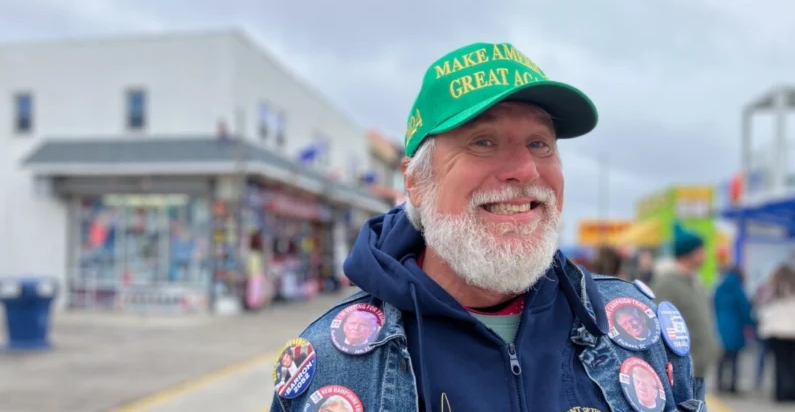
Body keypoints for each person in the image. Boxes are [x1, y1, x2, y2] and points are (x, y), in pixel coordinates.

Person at [270, 42, 703, 412]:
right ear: (416, 183)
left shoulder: (639, 332)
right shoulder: (330, 365)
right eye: (483, 142)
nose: (524, 169)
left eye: (539, 143)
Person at [650, 223, 720, 399]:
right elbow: (659, 326)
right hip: (683, 372)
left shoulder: (695, 282)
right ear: (689, 253)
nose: (705, 254)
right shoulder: (667, 284)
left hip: (699, 368)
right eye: (700, 250)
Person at [713, 265, 754, 394]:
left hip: (720, 325)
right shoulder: (739, 291)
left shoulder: (719, 288)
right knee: (734, 358)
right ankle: (732, 385)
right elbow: (745, 311)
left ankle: (719, 384)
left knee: (721, 358)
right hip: (735, 327)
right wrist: (751, 324)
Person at [757, 264, 795, 402]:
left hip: (775, 332)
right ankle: (791, 392)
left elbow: (761, 308)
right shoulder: (792, 287)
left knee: (779, 364)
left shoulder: (771, 289)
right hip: (792, 332)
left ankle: (780, 393)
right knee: (791, 364)